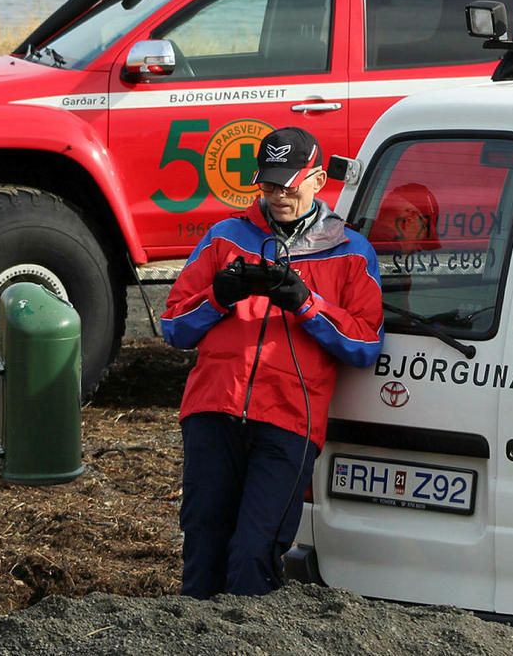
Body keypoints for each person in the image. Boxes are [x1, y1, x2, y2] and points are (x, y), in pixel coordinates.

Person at [160, 126, 384, 598]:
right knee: (203, 544)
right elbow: (175, 327)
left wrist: (307, 304)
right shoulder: (225, 237)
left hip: (289, 421)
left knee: (252, 552)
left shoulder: (351, 252)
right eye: (268, 185)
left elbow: (366, 345)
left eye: (289, 184)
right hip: (213, 412)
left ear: (319, 180)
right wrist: (219, 295)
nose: (278, 195)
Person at [366, 182, 441, 301]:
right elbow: (400, 315)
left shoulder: (359, 242)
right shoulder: (391, 263)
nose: (419, 249)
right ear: (408, 221)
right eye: (421, 240)